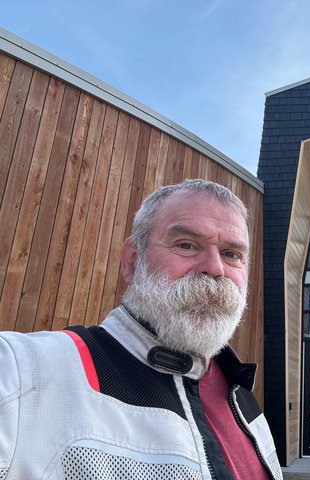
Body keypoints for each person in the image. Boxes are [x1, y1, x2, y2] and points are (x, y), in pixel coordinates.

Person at [0, 179, 282, 480]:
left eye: (232, 254)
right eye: (187, 245)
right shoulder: (25, 373)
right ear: (133, 262)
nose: (215, 268)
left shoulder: (241, 396)